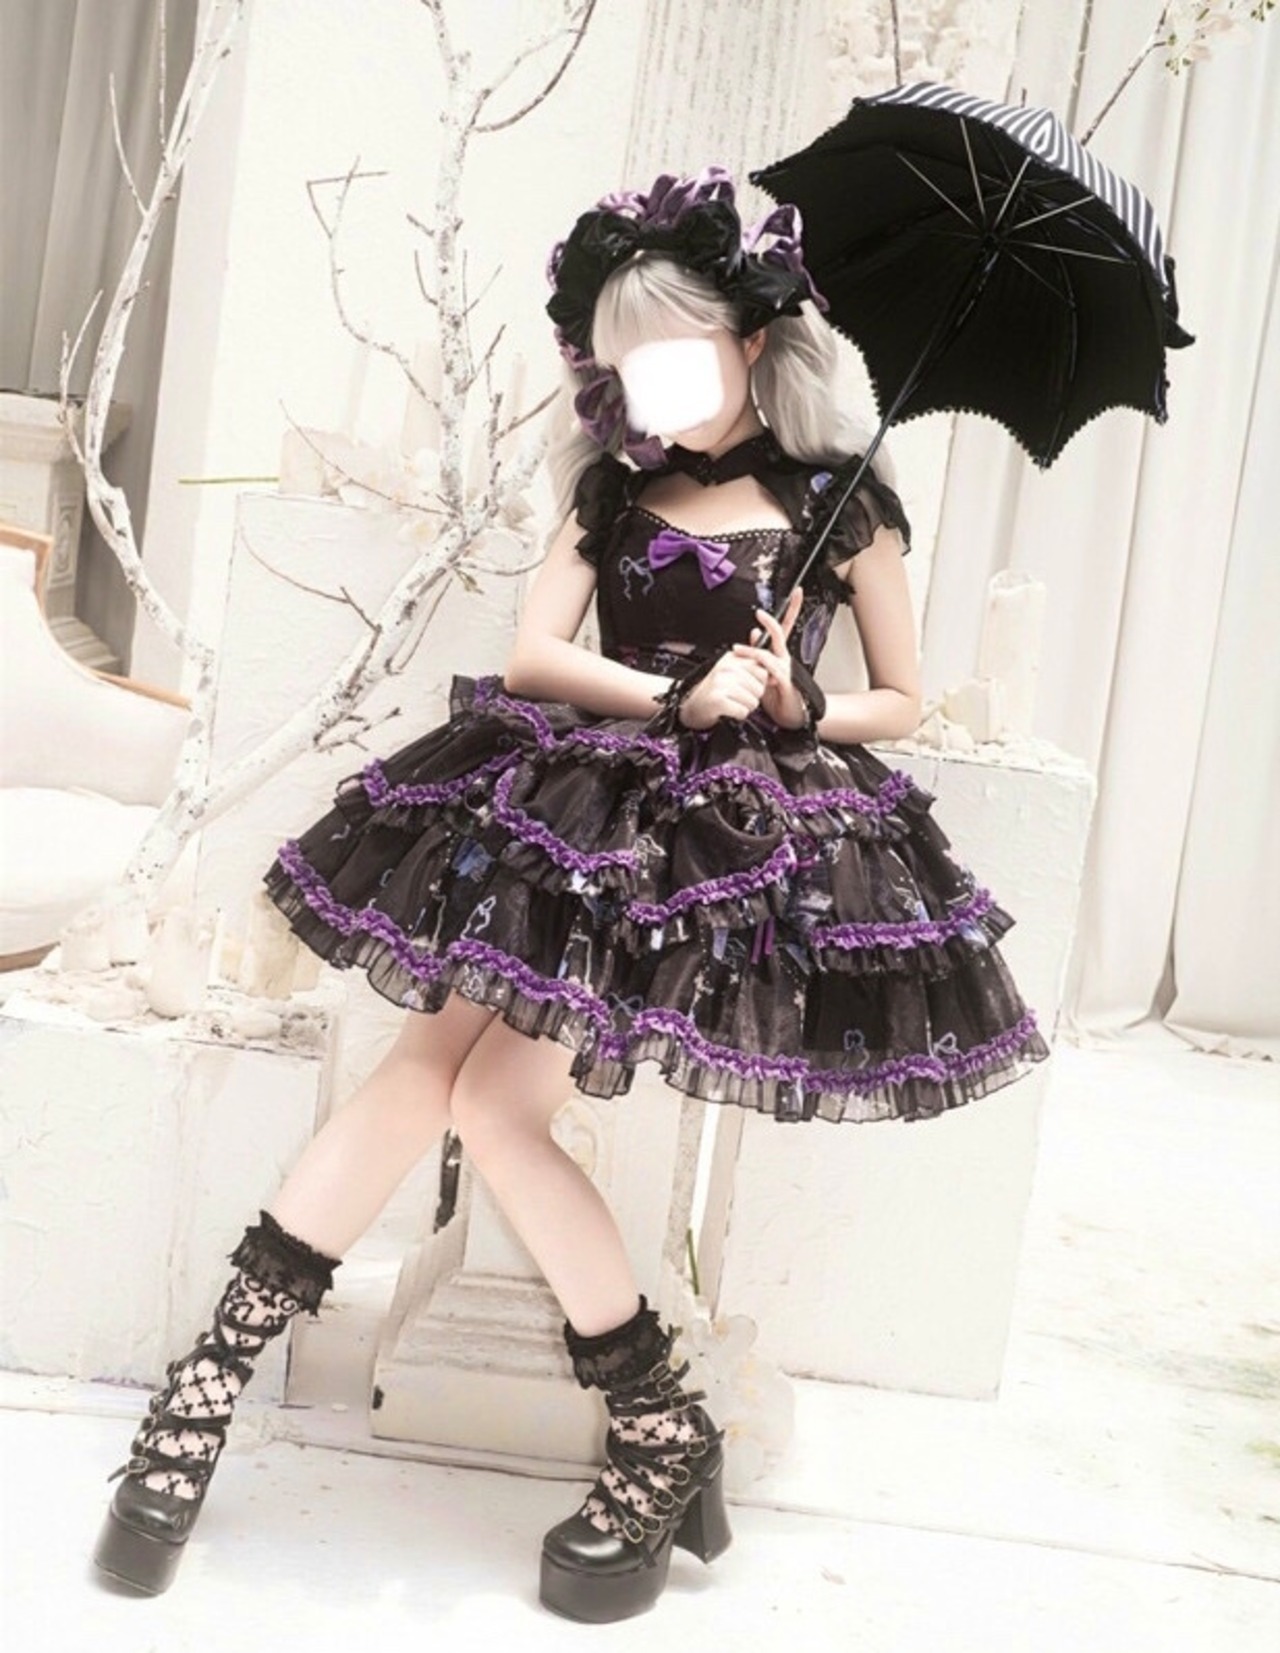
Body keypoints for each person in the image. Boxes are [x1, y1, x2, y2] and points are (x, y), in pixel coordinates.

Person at [92, 167, 1051, 1621]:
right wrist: (674, 692)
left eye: (678, 349)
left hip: (710, 846)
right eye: (627, 359)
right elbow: (536, 655)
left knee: (483, 1102)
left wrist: (795, 702)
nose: (650, 384)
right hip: (577, 799)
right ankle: (222, 1386)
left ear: (753, 341)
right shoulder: (615, 491)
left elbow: (902, 701)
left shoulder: (842, 511)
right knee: (441, 1079)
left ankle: (643, 1428)